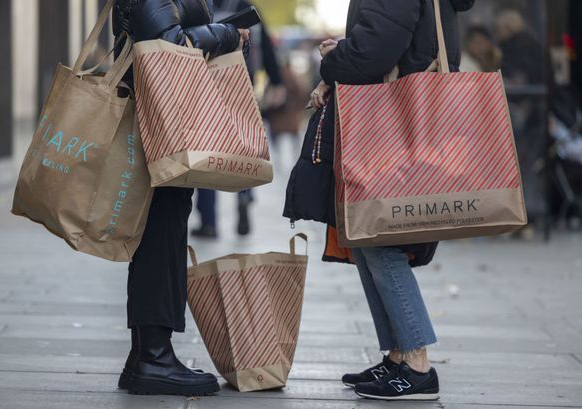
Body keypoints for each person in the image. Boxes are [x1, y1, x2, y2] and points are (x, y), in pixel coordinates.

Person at [288, 0, 475, 401]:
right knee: (369, 236)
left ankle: (419, 364)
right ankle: (398, 356)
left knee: (380, 237)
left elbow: (378, 46)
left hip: (389, 123)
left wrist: (335, 62)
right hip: (408, 118)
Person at [112, 0, 249, 396]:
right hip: (156, 120)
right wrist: (227, 35)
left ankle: (147, 355)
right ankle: (153, 358)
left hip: (165, 118)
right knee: (158, 236)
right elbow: (167, 43)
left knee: (164, 232)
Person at [191, 0, 285, 238]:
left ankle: (209, 221)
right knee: (243, 147)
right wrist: (276, 82)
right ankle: (244, 196)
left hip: (206, 85)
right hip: (242, 85)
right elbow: (267, 50)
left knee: (206, 151)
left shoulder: (203, 6)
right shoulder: (246, 5)